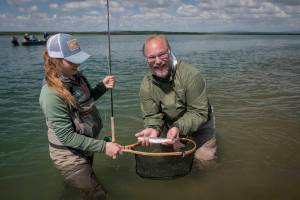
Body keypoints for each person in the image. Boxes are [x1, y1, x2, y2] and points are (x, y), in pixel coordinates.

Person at [39, 33, 122, 199]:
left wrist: (102, 87)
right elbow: (66, 136)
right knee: (99, 195)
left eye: (79, 58)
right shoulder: (50, 94)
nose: (78, 63)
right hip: (68, 155)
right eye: (72, 61)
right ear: (56, 60)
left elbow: (85, 102)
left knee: (81, 189)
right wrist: (104, 147)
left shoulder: (76, 77)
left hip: (84, 148)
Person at [135, 35, 217, 166]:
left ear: (170, 51)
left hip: (200, 124)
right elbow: (152, 115)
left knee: (204, 160)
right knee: (171, 159)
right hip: (170, 127)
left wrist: (178, 127)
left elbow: (198, 112)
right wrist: (153, 128)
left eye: (162, 54)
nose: (157, 61)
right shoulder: (146, 84)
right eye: (151, 57)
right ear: (146, 59)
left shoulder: (191, 75)